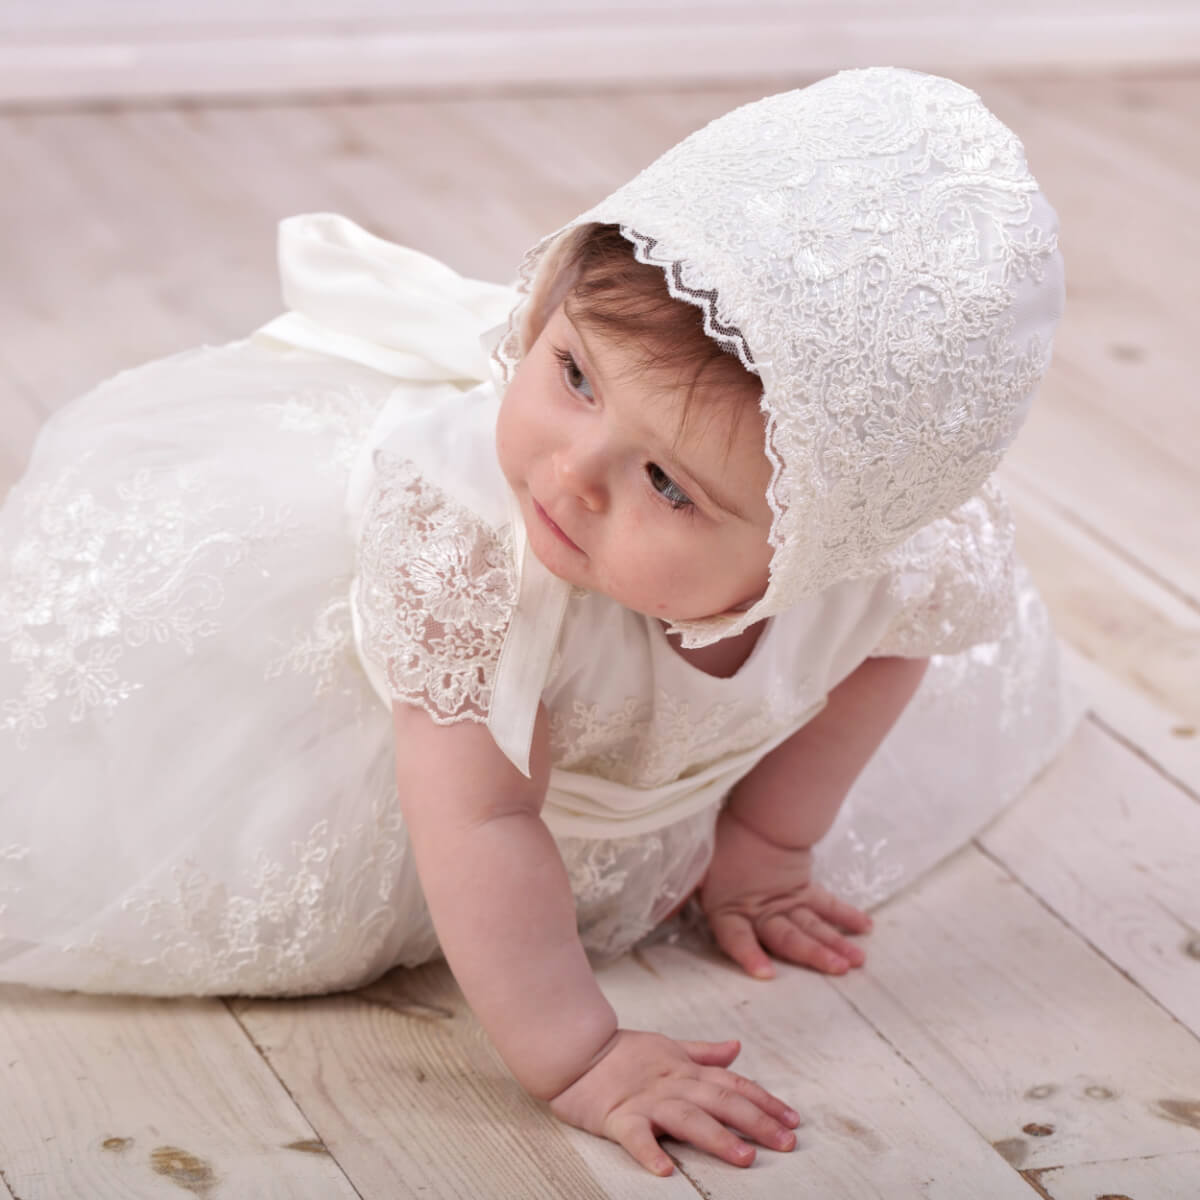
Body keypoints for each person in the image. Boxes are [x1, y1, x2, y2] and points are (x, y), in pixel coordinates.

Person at [0, 67, 1078, 1174]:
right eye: (572, 373)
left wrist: (766, 846)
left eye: (667, 485)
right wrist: (579, 1053)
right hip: (440, 763)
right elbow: (483, 821)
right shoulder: (470, 541)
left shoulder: (897, 558)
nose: (568, 479)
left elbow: (884, 656)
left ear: (814, 542)